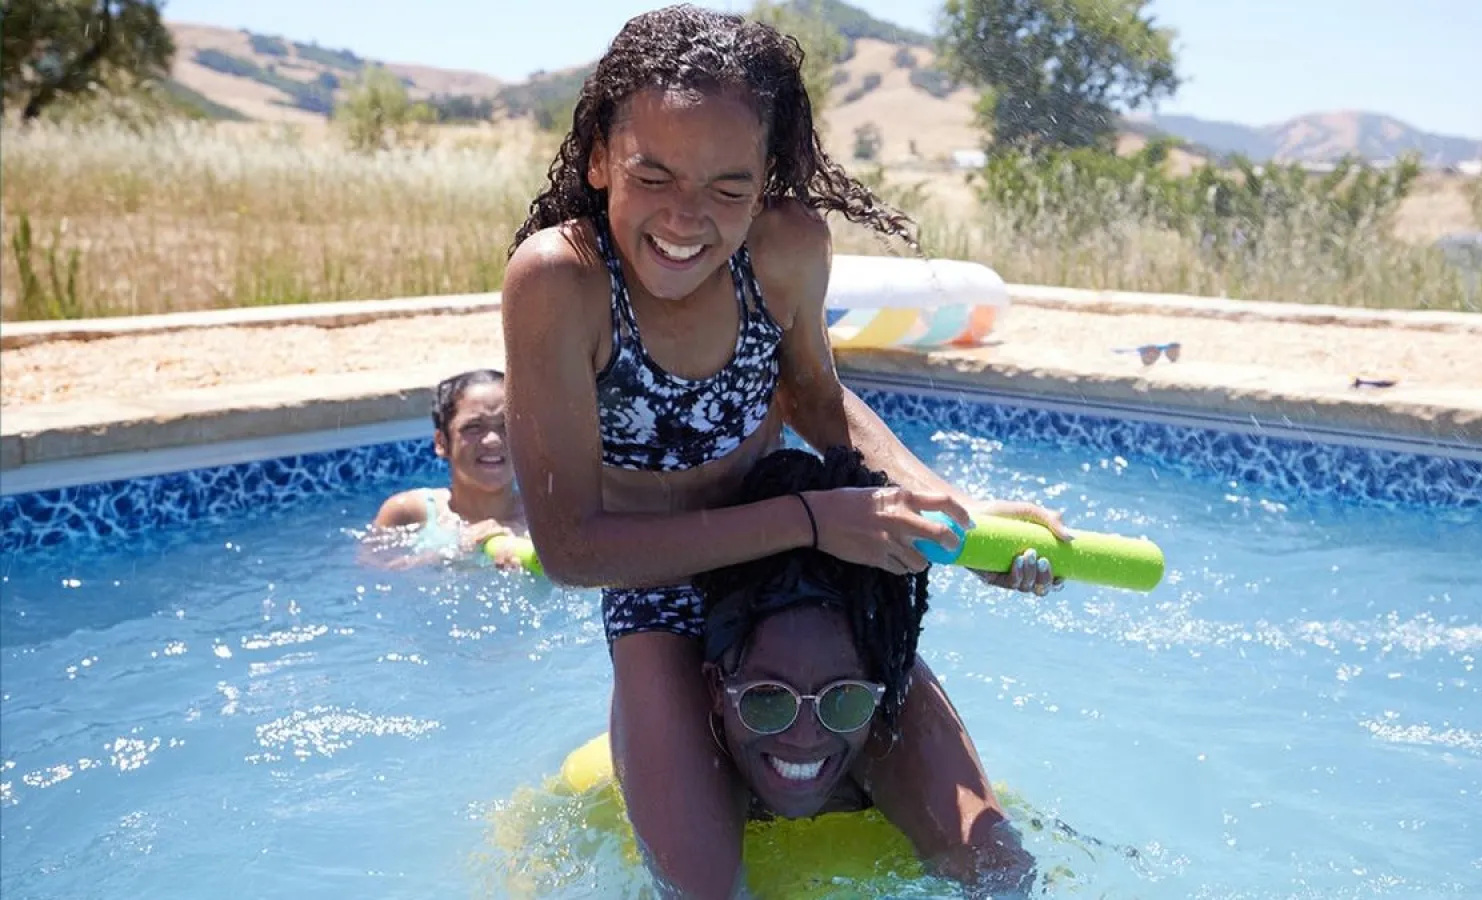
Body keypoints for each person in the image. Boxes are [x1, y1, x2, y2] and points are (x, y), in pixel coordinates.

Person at [499, 5, 1071, 896]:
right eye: (653, 174)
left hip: (801, 573)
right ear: (601, 157)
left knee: (997, 870)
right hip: (658, 590)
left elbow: (815, 395)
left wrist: (954, 517)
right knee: (704, 892)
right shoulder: (560, 282)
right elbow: (573, 550)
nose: (688, 217)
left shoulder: (788, 248)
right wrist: (813, 518)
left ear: (768, 180)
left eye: (730, 188)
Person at [692, 446, 1035, 894]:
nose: (805, 737)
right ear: (717, 686)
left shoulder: (888, 721)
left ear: (881, 690)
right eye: (770, 698)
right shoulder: (687, 736)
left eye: (842, 699)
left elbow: (1002, 878)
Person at [368, 369, 527, 566]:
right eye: (474, 427)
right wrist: (455, 551)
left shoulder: (546, 521)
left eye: (506, 425)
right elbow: (375, 573)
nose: (493, 441)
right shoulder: (409, 513)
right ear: (441, 442)